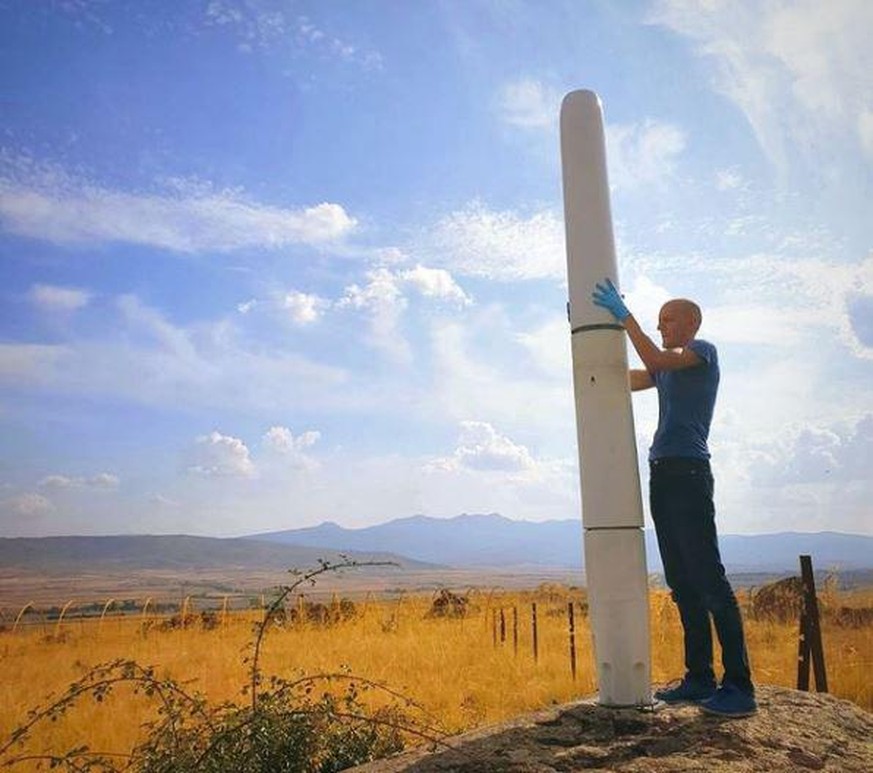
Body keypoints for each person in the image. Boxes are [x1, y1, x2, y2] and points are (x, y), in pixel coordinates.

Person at [592, 278, 756, 718]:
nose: (661, 325)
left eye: (668, 319)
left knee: (709, 580)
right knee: (682, 583)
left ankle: (739, 687)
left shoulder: (703, 352)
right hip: (663, 474)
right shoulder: (665, 369)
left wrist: (623, 317)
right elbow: (620, 379)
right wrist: (589, 335)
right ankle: (700, 678)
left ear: (692, 323)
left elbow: (654, 357)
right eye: (658, 321)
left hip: (689, 472)